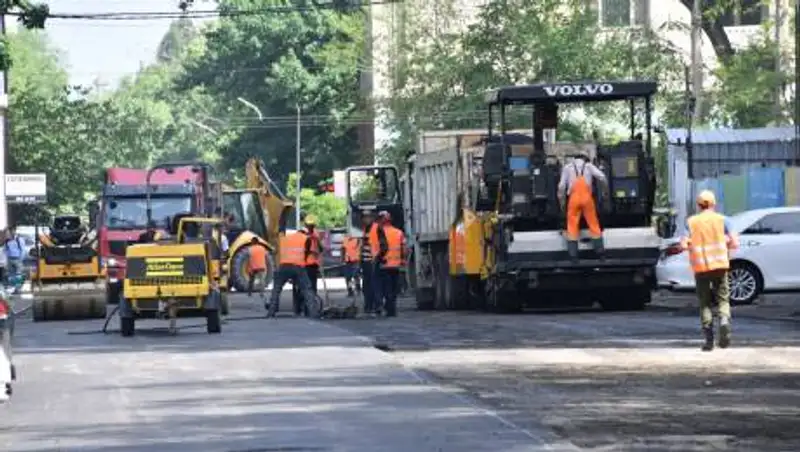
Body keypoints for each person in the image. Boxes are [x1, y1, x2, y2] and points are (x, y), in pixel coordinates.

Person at [680, 190, 738, 351]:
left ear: (698, 205)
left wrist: (692, 244)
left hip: (701, 268)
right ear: (714, 204)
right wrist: (725, 241)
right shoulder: (724, 220)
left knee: (704, 303)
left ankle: (709, 341)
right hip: (720, 266)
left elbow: (683, 245)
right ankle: (724, 320)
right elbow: (735, 243)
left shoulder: (691, 222)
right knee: (723, 299)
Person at [557, 152, 610, 261]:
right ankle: (601, 254)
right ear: (585, 158)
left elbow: (561, 186)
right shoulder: (589, 166)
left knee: (572, 225)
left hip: (573, 199)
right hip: (587, 199)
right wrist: (605, 191)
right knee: (593, 224)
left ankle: (573, 256)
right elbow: (602, 177)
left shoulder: (567, 167)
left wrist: (561, 202)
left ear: (574, 158)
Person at [266, 229, 318, 318]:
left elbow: (276, 250)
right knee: (307, 289)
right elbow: (307, 252)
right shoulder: (306, 238)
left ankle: (271, 312)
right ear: (304, 233)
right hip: (298, 267)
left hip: (284, 266)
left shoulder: (285, 238)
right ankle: (313, 313)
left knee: (276, 290)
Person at [371, 211, 405, 317]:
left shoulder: (377, 232)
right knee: (393, 288)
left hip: (383, 264)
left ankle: (386, 308)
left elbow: (374, 248)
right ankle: (391, 309)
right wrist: (403, 260)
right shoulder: (398, 232)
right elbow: (404, 248)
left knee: (386, 288)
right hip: (395, 265)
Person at [360, 210, 377, 315]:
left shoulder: (376, 228)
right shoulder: (364, 229)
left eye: (368, 217)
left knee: (373, 285)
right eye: (364, 217)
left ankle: (373, 305)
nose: (366, 219)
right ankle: (368, 305)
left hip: (373, 261)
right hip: (365, 261)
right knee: (366, 285)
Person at [3, 227, 26, 294]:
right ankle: (13, 289)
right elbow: (5, 250)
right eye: (10, 232)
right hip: (10, 259)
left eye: (12, 231)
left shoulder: (19, 239)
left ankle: (18, 289)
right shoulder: (7, 241)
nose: (11, 233)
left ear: (15, 231)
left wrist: (20, 259)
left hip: (17, 259)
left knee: (18, 274)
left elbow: (23, 250)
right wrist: (6, 259)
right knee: (11, 275)